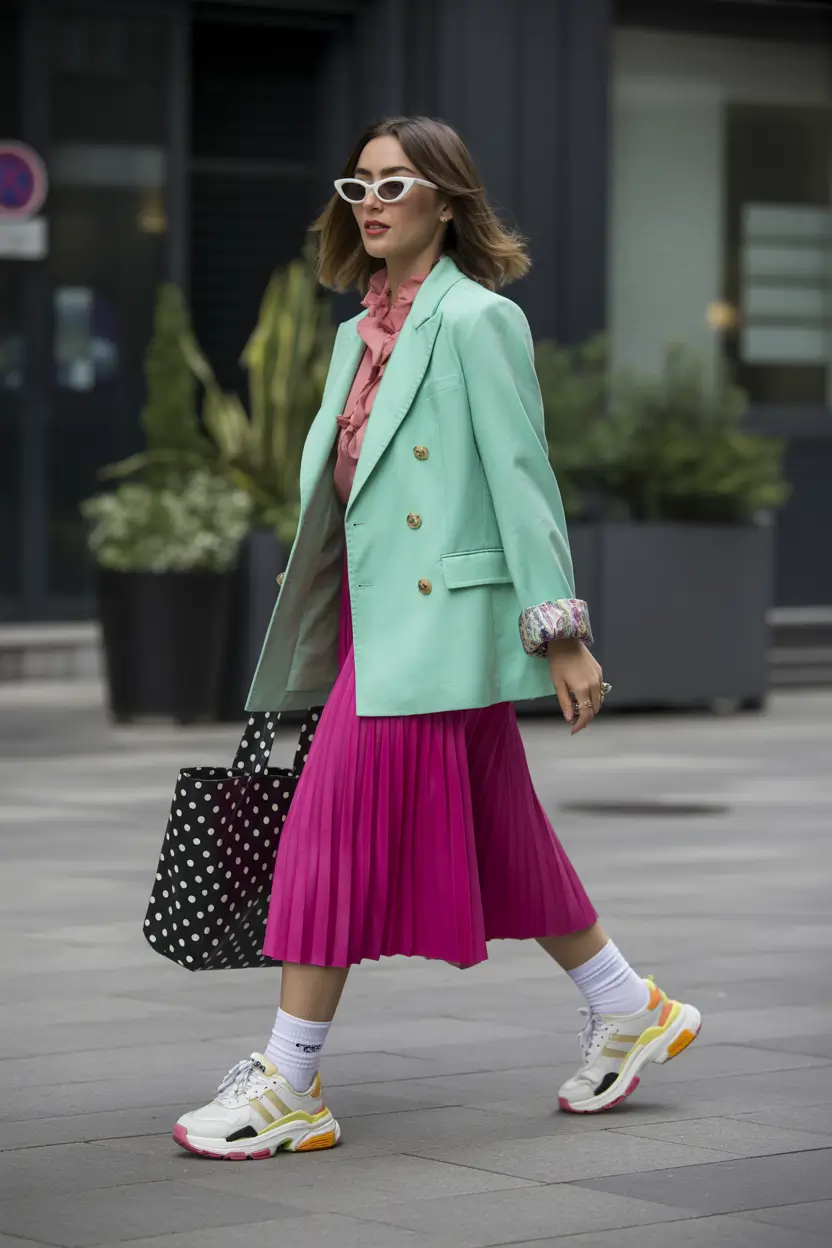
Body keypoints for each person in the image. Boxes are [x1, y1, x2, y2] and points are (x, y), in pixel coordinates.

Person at [173, 116, 701, 1161]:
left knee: (324, 836)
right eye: (358, 184)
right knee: (505, 840)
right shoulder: (350, 334)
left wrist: (560, 633)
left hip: (439, 628)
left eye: (394, 184)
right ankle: (628, 1005)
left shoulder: (475, 322)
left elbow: (521, 479)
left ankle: (288, 1082)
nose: (369, 202)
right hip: (377, 625)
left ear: (446, 202)